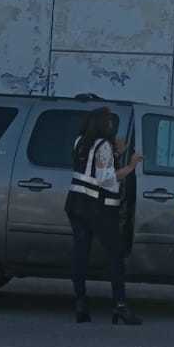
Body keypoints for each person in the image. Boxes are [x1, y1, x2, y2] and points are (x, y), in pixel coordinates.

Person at [65, 106, 143, 326]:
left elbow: (90, 169)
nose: (111, 126)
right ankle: (120, 306)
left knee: (80, 254)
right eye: (109, 122)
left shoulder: (80, 141)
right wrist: (131, 166)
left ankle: (80, 303)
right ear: (101, 124)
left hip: (75, 203)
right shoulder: (104, 146)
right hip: (98, 208)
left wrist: (116, 153)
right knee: (116, 255)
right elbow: (105, 179)